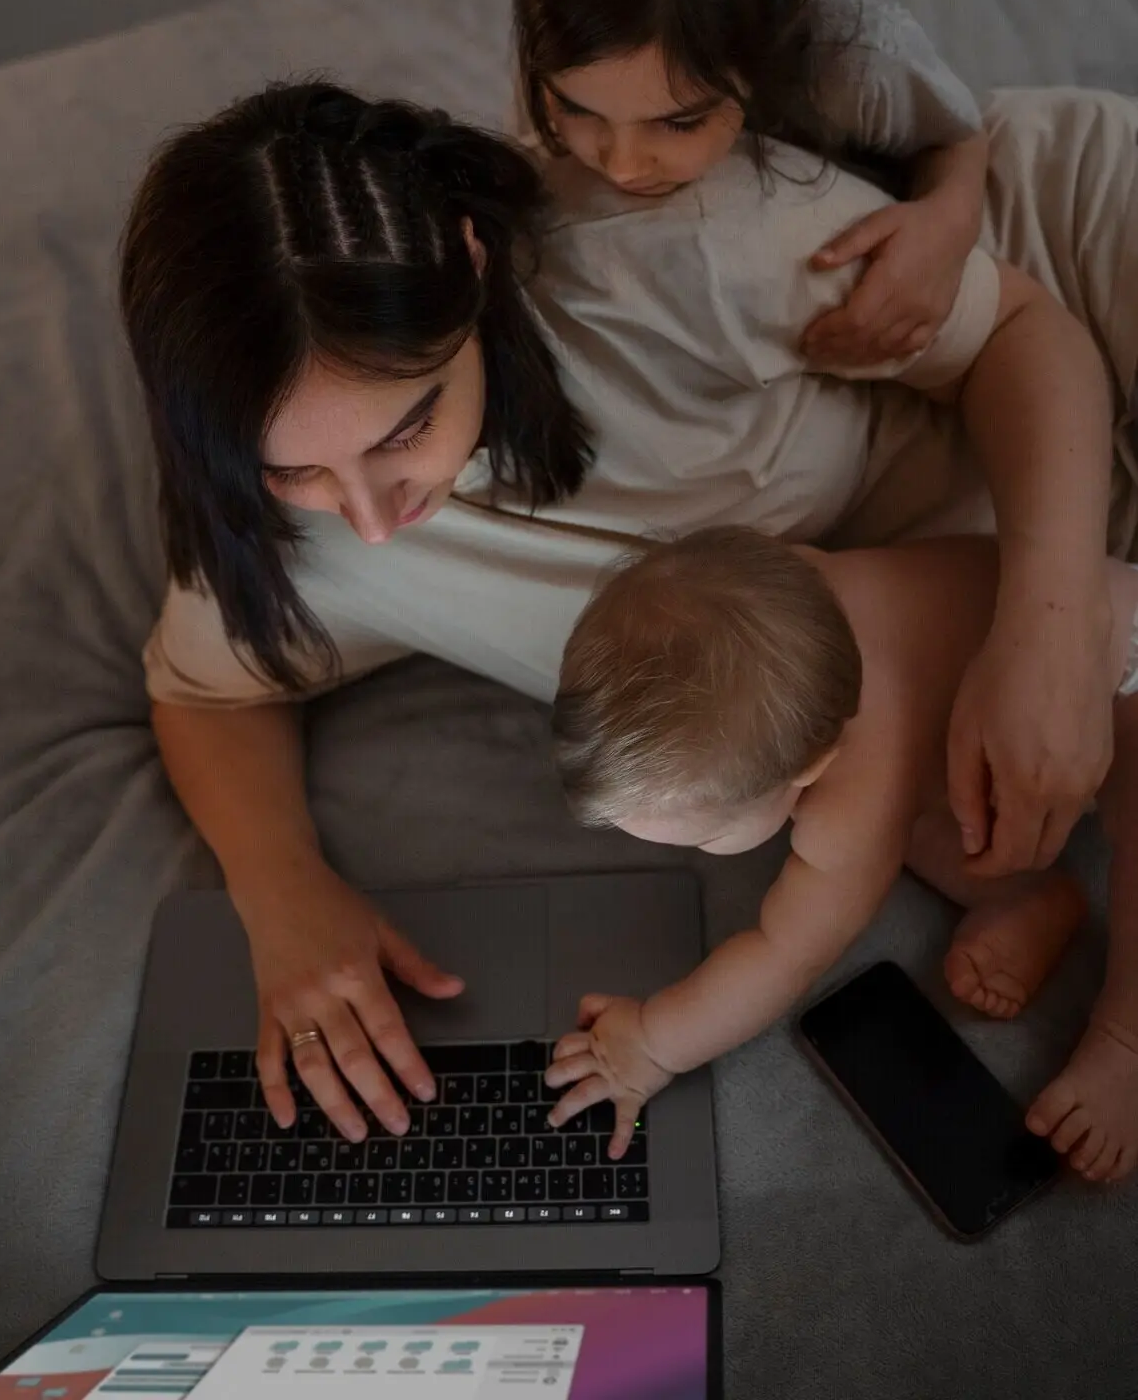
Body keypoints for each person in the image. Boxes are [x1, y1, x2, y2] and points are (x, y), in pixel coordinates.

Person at [122, 76, 1136, 1145]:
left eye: (406, 425)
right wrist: (282, 893)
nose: (373, 521)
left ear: (472, 268)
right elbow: (201, 693)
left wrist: (1052, 630)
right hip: (953, 600)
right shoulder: (273, 535)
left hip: (1068, 275)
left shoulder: (672, 251)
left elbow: (1026, 332)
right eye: (300, 471)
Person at [546, 527, 1138, 1185]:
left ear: (812, 766)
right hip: (975, 699)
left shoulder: (857, 795)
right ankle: (1019, 891)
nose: (705, 853)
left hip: (1117, 677)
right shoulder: (764, 593)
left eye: (706, 839)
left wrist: (654, 1044)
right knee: (899, 817)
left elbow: (783, 952)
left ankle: (1124, 1045)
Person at [513, 0, 991, 372]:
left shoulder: (857, 61)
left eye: (679, 123)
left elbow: (963, 136)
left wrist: (947, 223)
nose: (621, 163)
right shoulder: (555, 58)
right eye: (579, 109)